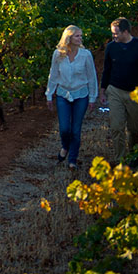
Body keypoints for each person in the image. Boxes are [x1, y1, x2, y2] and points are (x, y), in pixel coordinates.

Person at [100, 17, 138, 159]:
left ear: (125, 32)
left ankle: (134, 156)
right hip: (115, 90)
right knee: (116, 127)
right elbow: (107, 70)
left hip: (135, 93)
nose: (113, 36)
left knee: (134, 128)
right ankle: (121, 160)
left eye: (115, 33)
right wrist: (103, 90)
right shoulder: (111, 47)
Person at [46, 25, 98, 170]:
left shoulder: (86, 55)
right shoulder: (58, 54)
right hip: (63, 94)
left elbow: (92, 77)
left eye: (81, 36)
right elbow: (53, 75)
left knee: (75, 129)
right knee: (64, 128)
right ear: (68, 37)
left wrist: (93, 97)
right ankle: (65, 146)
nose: (80, 38)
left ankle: (72, 160)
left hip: (81, 95)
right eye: (77, 36)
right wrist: (49, 94)